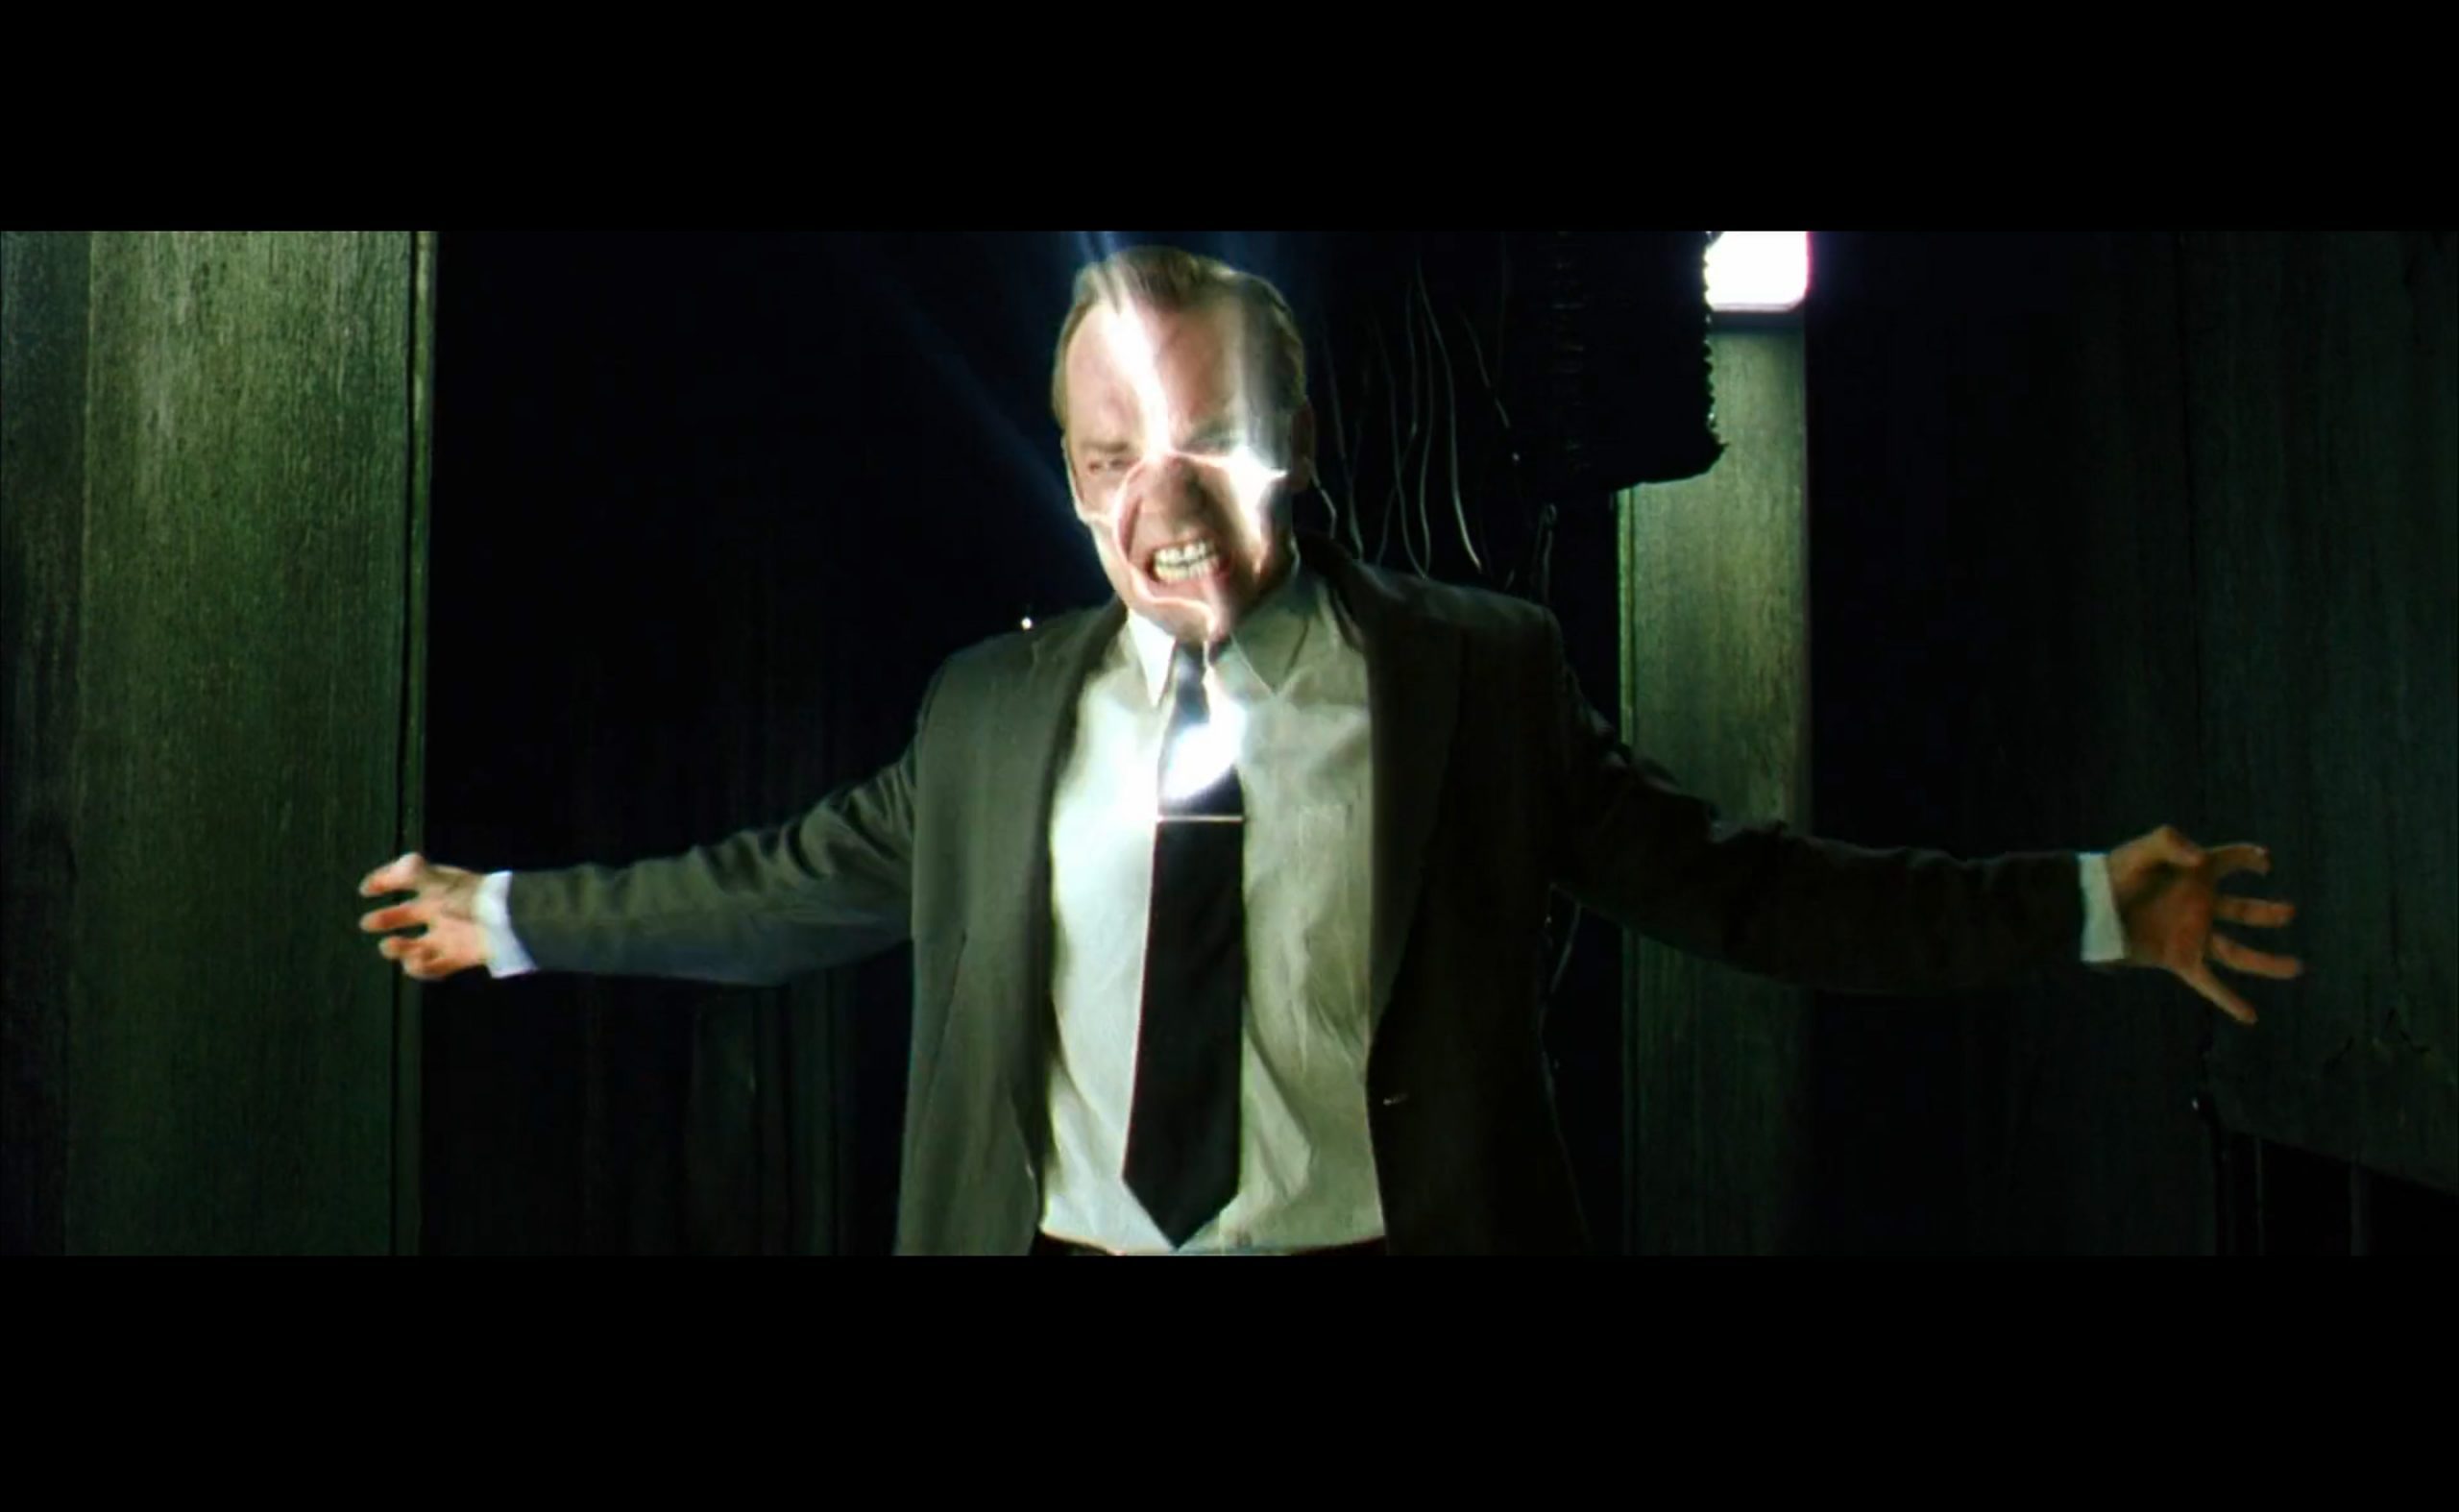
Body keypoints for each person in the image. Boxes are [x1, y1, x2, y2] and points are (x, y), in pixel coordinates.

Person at [358, 244, 2304, 1256]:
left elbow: (1743, 889)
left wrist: (2082, 907)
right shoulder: (985, 714)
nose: (1162, 505)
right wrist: (513, 917)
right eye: (1112, 456)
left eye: (1210, 444)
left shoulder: (1477, 681)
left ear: (1299, 440)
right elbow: (772, 889)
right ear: (1070, 473)